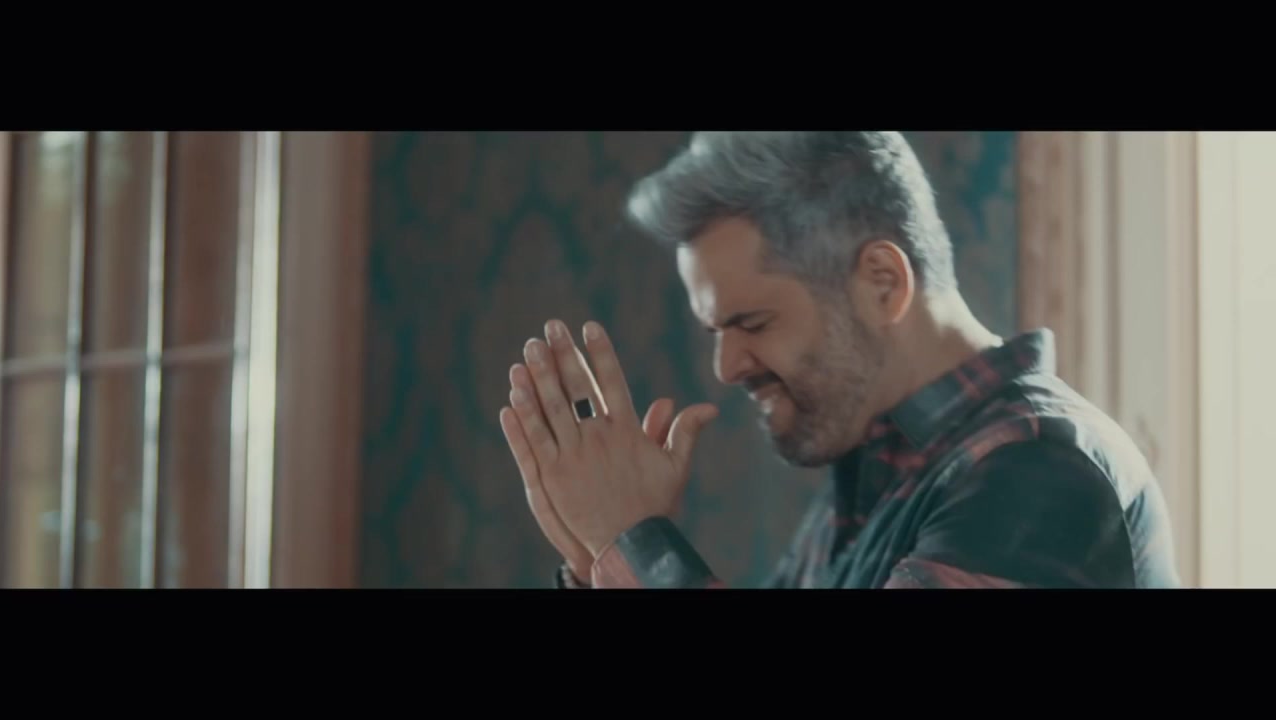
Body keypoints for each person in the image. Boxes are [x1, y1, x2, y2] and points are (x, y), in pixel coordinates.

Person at [497, 131, 1181, 589]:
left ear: (883, 281)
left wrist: (636, 541)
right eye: (714, 330)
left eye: (751, 322)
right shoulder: (871, 485)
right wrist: (599, 557)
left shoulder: (1040, 473)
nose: (726, 367)